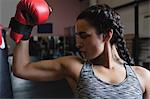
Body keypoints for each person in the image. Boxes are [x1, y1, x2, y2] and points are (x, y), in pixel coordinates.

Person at [10, 0, 150, 98]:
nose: (78, 44)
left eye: (84, 36)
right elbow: (21, 69)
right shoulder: (76, 68)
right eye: (77, 36)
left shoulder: (142, 76)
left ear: (107, 35)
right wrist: (24, 26)